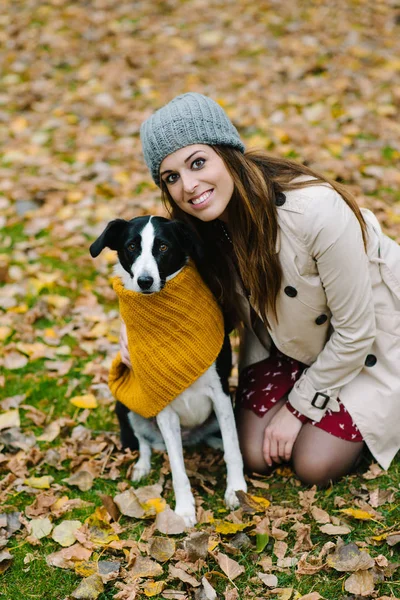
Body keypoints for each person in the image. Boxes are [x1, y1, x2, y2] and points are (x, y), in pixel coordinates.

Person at [120, 92, 400, 486]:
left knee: (313, 465)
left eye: (198, 162)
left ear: (227, 153)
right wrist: (135, 336)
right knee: (254, 454)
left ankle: (377, 413)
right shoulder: (197, 228)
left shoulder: (318, 211)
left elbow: (356, 332)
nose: (189, 185)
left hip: (367, 346)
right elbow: (189, 301)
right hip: (289, 341)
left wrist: (296, 411)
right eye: (172, 177)